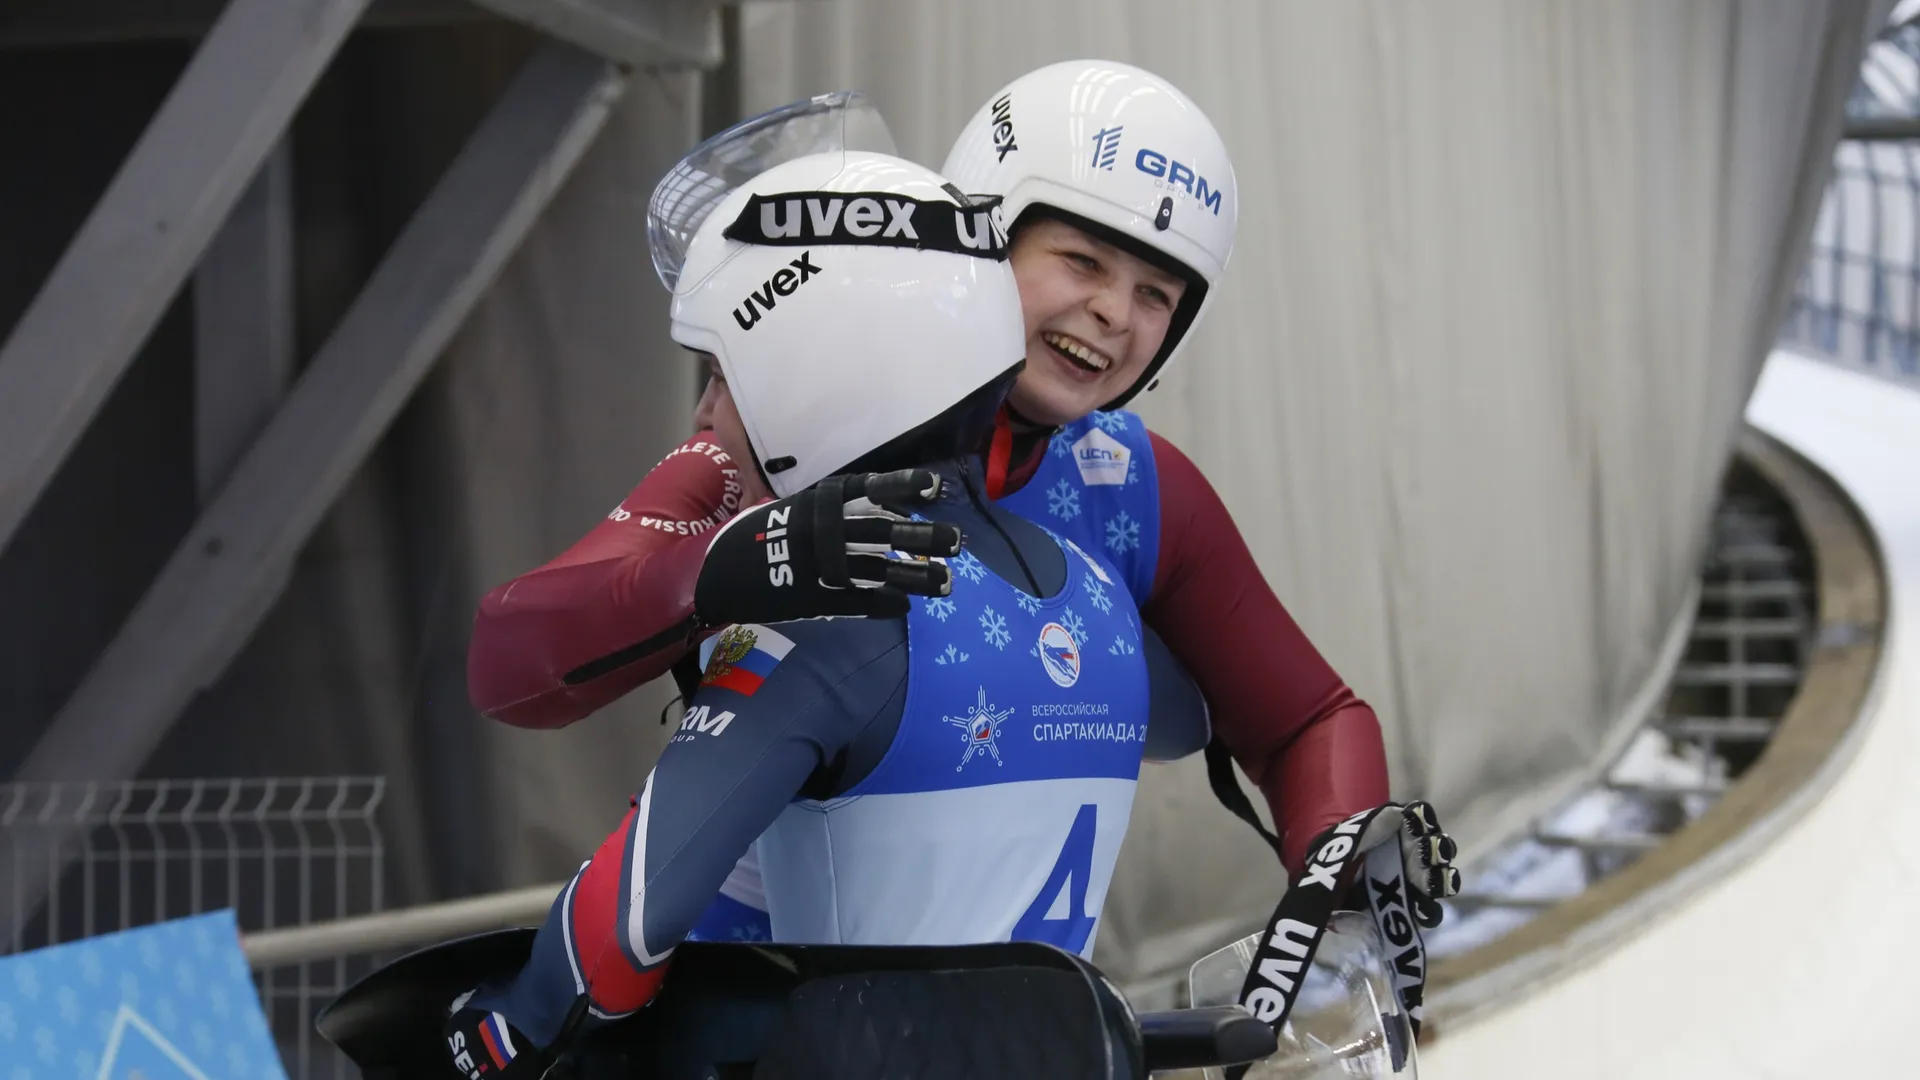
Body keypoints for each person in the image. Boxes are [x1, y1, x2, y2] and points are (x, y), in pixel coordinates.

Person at [465, 61, 1391, 884]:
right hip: (732, 989)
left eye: (1157, 294)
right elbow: (509, 667)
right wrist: (729, 566)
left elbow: (1310, 720)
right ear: (981, 242)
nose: (1114, 313)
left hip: (989, 1011)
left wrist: (1349, 879)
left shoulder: (1136, 486)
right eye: (1081, 260)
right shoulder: (773, 421)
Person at [443, 150, 1207, 1079]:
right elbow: (1190, 720)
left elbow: (614, 945)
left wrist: (487, 1035)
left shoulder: (826, 629)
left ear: (814, 379)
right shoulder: (1103, 602)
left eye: (725, 373)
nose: (705, 411)